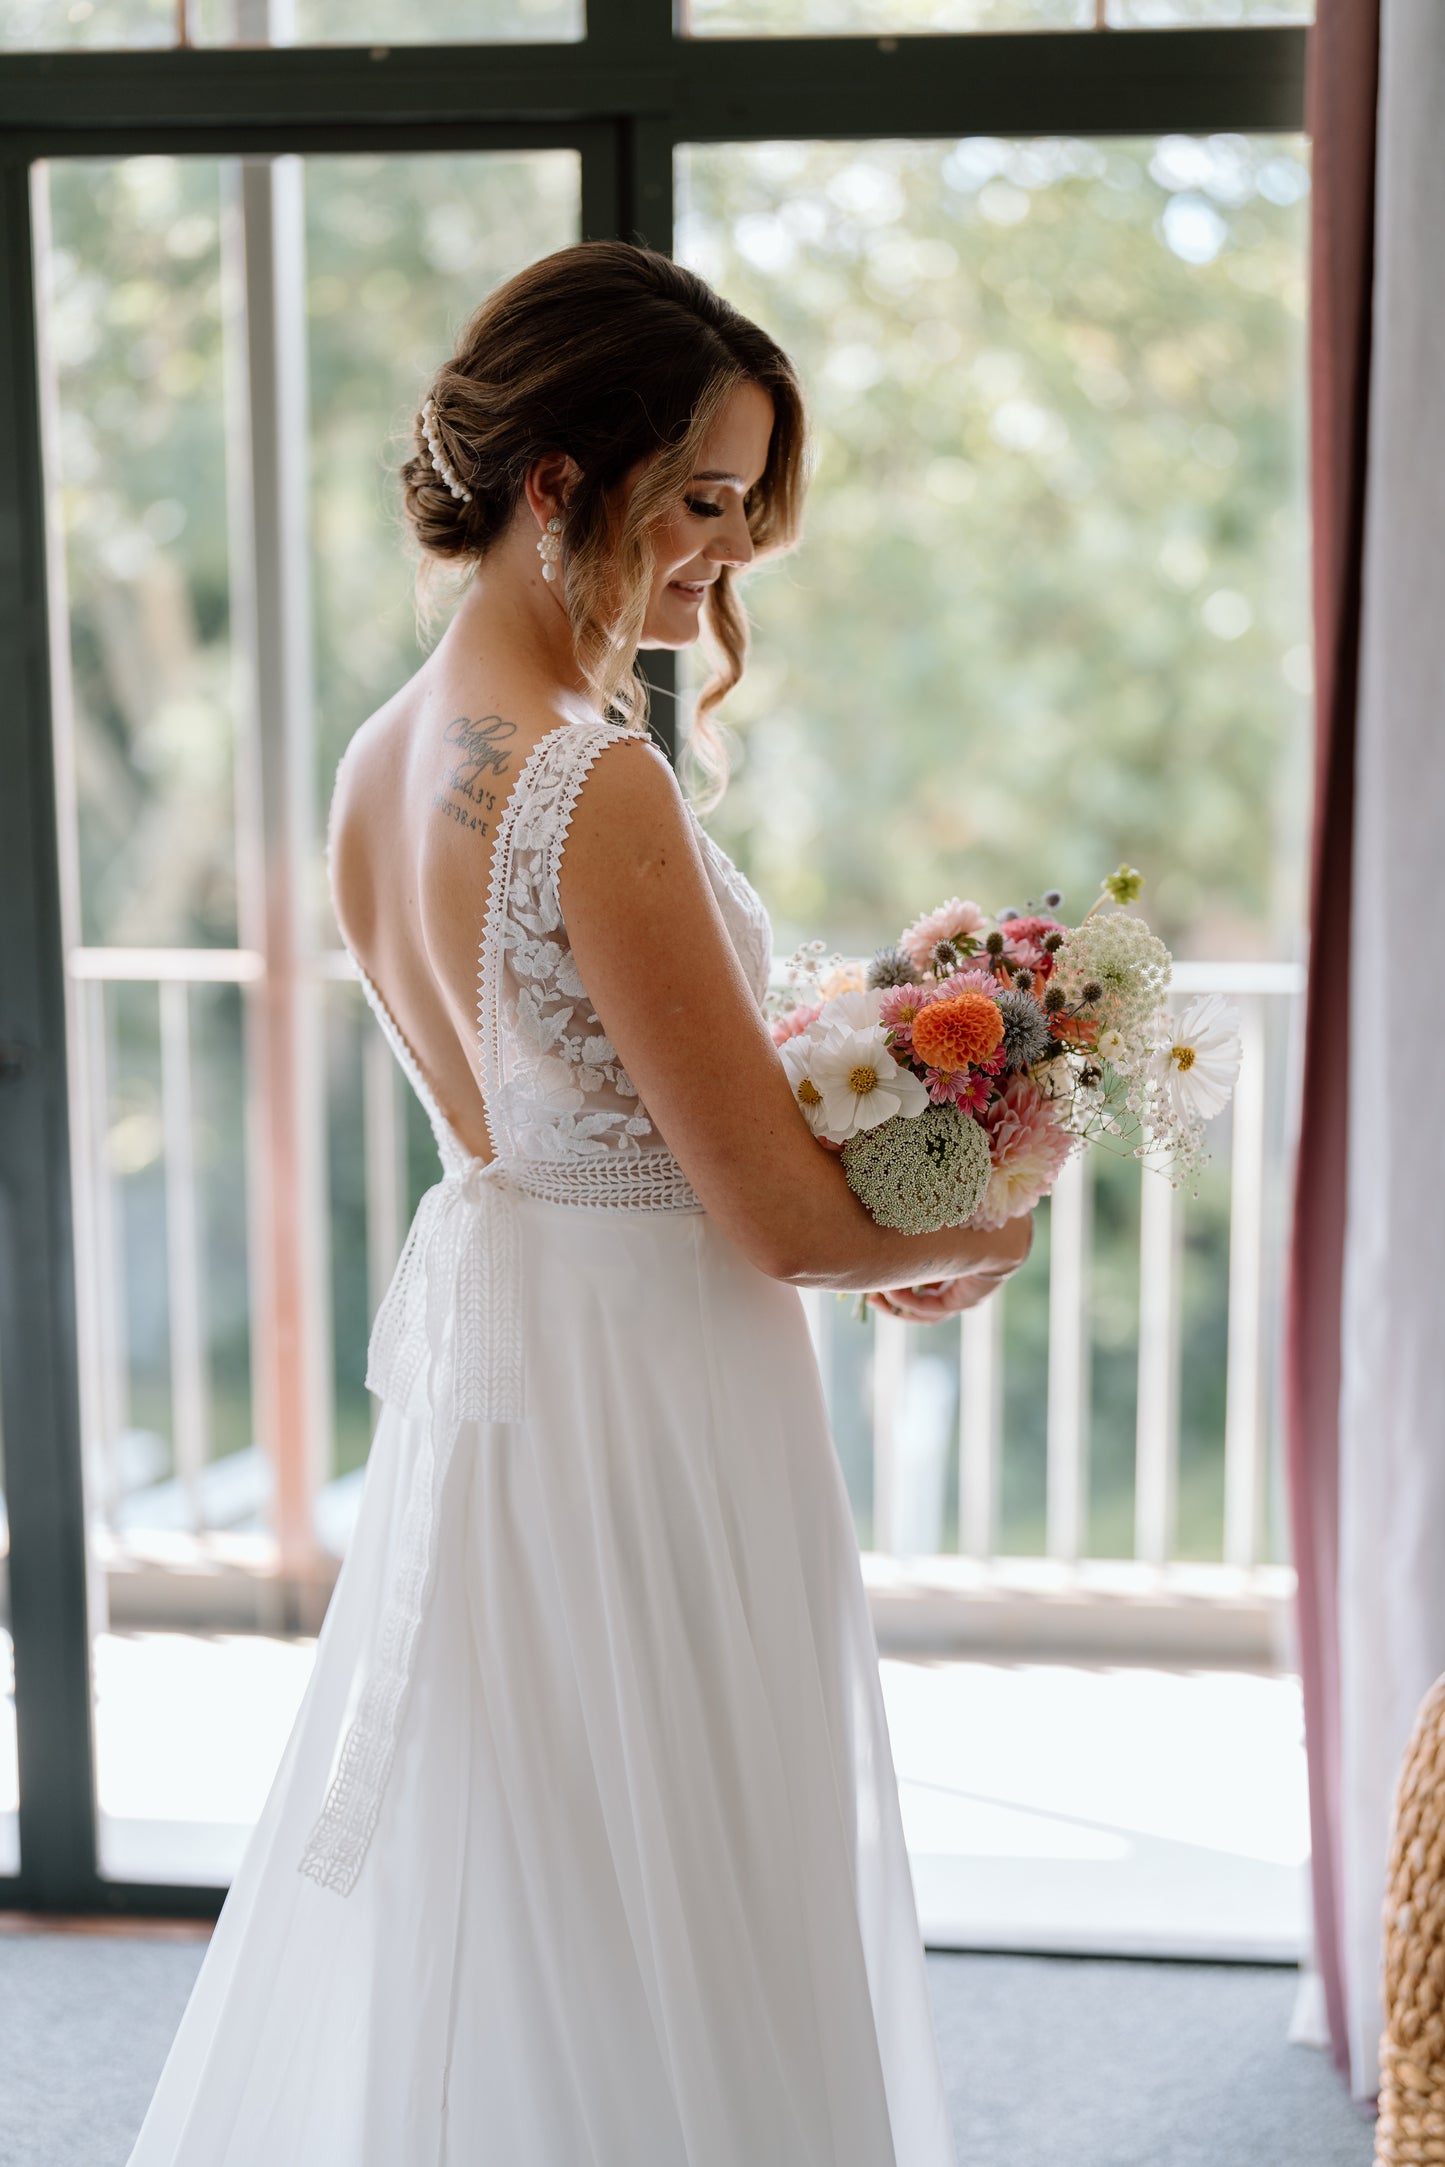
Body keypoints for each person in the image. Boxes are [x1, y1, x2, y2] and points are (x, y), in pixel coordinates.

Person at [126, 238, 1032, 2167]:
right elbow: (776, 1228)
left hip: (522, 1397)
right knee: (683, 1875)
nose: (723, 557)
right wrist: (973, 1228)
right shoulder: (582, 779)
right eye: (701, 500)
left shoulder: (383, 764)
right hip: (653, 1403)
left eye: (744, 509)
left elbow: (562, 1121)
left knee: (533, 1861)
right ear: (560, 480)